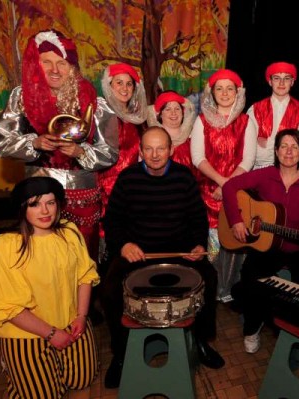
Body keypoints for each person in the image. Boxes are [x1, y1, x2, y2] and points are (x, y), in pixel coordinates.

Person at [101, 126, 225, 389]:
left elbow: (197, 219)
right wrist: (123, 245)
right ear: (141, 151)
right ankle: (121, 354)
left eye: (161, 148)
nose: (155, 155)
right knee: (110, 288)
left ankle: (202, 340)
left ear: (171, 150)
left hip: (178, 250)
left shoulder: (184, 178)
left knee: (209, 278)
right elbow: (112, 221)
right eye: (149, 148)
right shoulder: (127, 178)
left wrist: (196, 245)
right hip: (138, 252)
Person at [0, 29, 118, 262]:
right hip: (39, 196)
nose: (54, 70)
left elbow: (110, 153)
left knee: (82, 261)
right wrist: (35, 143)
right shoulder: (21, 98)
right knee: (42, 262)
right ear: (36, 64)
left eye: (61, 63)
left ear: (72, 67)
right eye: (47, 62)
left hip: (83, 197)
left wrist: (81, 152)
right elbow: (2, 143)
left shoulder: (94, 103)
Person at [0, 176, 99, 399]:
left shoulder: (69, 232)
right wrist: (52, 334)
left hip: (71, 322)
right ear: (22, 208)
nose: (45, 211)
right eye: (34, 204)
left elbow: (85, 276)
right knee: (43, 394)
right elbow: (8, 306)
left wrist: (81, 316)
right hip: (26, 334)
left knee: (82, 379)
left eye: (51, 202)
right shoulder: (4, 246)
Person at [222, 128, 299, 353]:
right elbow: (230, 187)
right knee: (250, 277)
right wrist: (236, 220)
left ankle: (297, 336)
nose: (289, 152)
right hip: (267, 246)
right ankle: (252, 327)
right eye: (284, 146)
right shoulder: (264, 175)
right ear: (276, 151)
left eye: (295, 147)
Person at [190, 68, 257, 301]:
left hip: (236, 193)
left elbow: (248, 160)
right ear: (212, 93)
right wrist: (220, 182)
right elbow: (198, 157)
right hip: (208, 192)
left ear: (238, 92)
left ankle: (229, 289)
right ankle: (208, 289)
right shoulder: (201, 121)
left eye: (230, 88)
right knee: (211, 245)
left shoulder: (247, 121)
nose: (225, 93)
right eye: (220, 88)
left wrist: (227, 187)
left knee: (234, 242)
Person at [97, 62, 148, 241]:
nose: (124, 88)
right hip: (105, 189)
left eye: (129, 84)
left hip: (133, 188)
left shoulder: (139, 119)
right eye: (119, 82)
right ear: (109, 85)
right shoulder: (100, 115)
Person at [246, 61, 299, 169]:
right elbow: (249, 146)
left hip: (289, 169)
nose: (281, 83)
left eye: (286, 78)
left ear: (292, 82)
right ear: (270, 81)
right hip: (259, 169)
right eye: (276, 78)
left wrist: (266, 144)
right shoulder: (255, 109)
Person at [147, 90, 198, 174]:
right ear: (160, 114)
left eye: (177, 109)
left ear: (182, 113)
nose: (173, 113)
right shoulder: (151, 140)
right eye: (168, 109)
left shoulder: (193, 139)